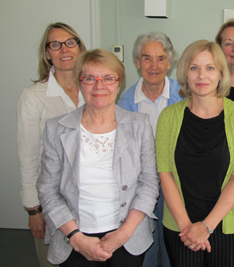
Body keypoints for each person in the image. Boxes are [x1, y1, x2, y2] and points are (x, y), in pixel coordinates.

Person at [36, 49, 159, 266]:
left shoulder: (139, 124)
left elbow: (149, 184)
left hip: (127, 237)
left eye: (108, 78)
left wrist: (122, 235)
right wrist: (76, 237)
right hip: (73, 237)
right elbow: (48, 190)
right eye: (90, 78)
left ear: (119, 84)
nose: (99, 86)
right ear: (79, 83)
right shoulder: (57, 128)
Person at [155, 40, 234, 267]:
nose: (202, 75)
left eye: (210, 68)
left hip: (227, 225)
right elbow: (165, 174)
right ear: (185, 73)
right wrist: (187, 228)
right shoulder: (168, 117)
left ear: (221, 73)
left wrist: (206, 226)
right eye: (194, 68)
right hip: (181, 227)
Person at [17, 22, 86, 267]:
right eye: (55, 44)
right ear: (47, 53)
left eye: (70, 42)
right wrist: (33, 210)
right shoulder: (33, 97)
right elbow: (28, 156)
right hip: (52, 200)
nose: (64, 49)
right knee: (54, 261)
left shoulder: (93, 88)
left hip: (90, 199)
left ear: (79, 47)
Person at [119, 31, 182, 267]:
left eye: (161, 58)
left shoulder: (184, 96)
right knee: (143, 242)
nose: (154, 66)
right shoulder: (125, 102)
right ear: (137, 62)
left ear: (169, 62)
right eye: (147, 58)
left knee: (172, 242)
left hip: (176, 183)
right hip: (141, 185)